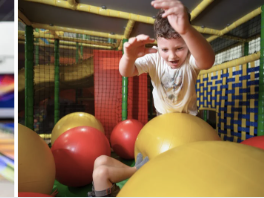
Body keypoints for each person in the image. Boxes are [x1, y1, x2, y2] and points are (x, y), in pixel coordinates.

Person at [91, 0, 216, 196]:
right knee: (165, 166)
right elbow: (126, 71)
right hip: (162, 123)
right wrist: (129, 56)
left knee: (190, 170)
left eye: (179, 48)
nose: (172, 56)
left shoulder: (191, 60)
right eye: (165, 49)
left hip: (191, 123)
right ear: (157, 44)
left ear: (187, 45)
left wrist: (187, 30)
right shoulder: (154, 58)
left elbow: (207, 61)